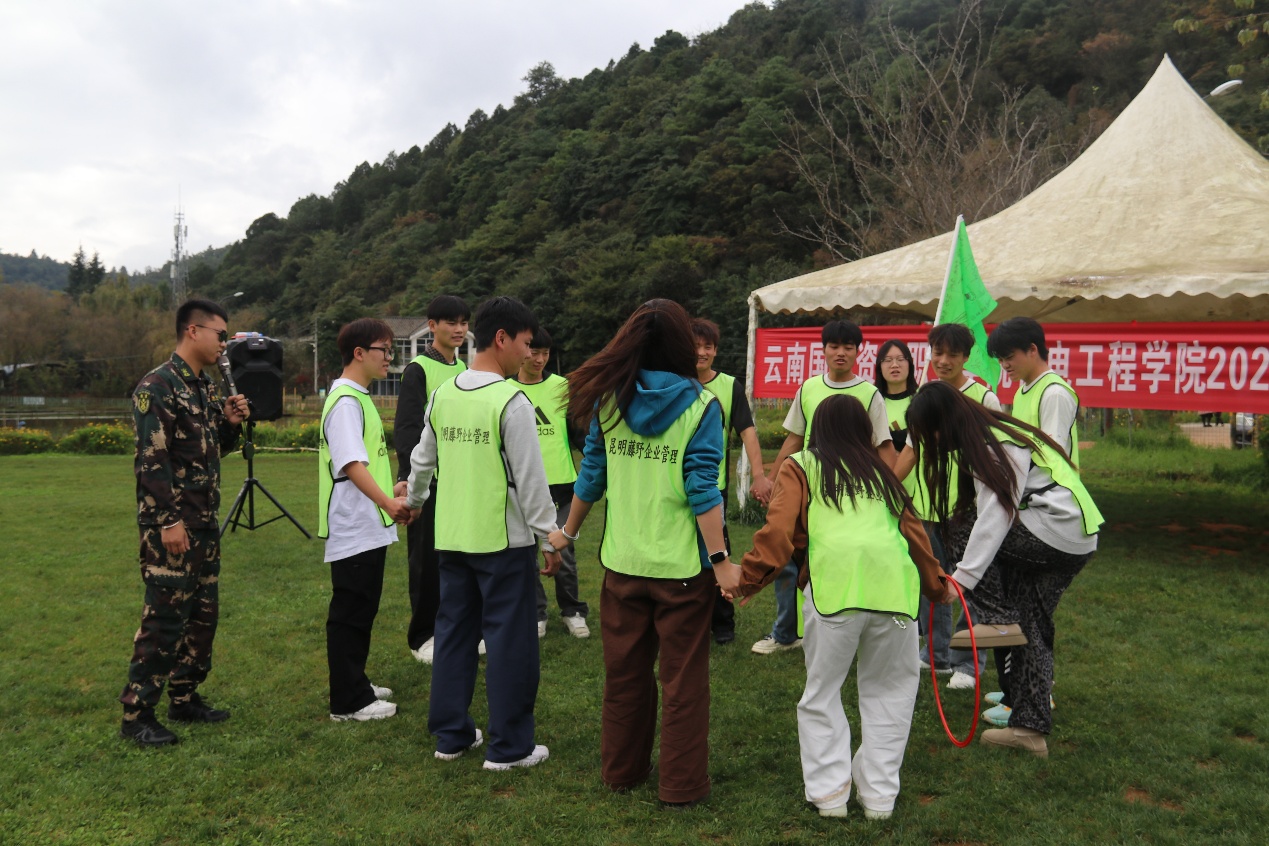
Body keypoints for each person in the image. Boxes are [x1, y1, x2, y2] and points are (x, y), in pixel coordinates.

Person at [715, 396, 945, 820]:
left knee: (822, 694)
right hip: (895, 594)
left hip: (834, 592)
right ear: (865, 431)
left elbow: (778, 532)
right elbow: (915, 534)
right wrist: (937, 587)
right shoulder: (884, 472)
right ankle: (879, 800)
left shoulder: (801, 464)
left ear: (817, 429)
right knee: (892, 695)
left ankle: (830, 798)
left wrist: (746, 579)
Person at [546, 299, 727, 808]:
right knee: (683, 683)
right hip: (682, 572)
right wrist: (721, 561)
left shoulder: (610, 402)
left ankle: (621, 771)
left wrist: (567, 532)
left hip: (623, 566)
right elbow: (703, 490)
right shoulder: (703, 406)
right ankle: (681, 786)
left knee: (624, 676)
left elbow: (592, 477)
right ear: (681, 344)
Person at [906, 381, 1103, 758]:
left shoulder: (991, 443)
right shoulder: (991, 432)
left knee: (961, 525)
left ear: (944, 421)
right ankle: (1029, 729)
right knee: (1032, 625)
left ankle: (999, 619)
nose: (930, 443)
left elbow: (995, 515)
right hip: (1075, 537)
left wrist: (960, 582)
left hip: (1055, 531)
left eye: (930, 433)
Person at [405, 296, 561, 770]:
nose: (529, 354)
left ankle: (451, 736)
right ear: (502, 338)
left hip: (452, 538)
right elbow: (531, 481)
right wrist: (549, 535)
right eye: (526, 344)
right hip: (503, 543)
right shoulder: (511, 401)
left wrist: (414, 501)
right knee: (510, 641)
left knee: (453, 634)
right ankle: (509, 747)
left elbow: (422, 461)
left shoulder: (444, 394)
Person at [118, 299, 249, 746]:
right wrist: (167, 520)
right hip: (173, 525)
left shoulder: (203, 388)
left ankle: (184, 697)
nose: (223, 344)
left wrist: (228, 424)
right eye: (220, 335)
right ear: (193, 331)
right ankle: (137, 714)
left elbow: (208, 453)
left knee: (201, 616)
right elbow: (151, 462)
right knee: (164, 619)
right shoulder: (157, 386)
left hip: (204, 521)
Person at [753, 319, 896, 656]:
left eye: (848, 346)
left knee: (838, 562)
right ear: (824, 350)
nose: (841, 352)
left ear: (859, 352)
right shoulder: (808, 388)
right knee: (788, 559)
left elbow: (883, 446)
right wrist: (774, 480)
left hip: (849, 497)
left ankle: (840, 630)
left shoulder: (869, 394)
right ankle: (785, 634)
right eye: (834, 346)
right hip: (806, 488)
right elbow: (794, 438)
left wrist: (887, 493)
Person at [983, 316, 1081, 726]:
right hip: (1033, 510)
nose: (1004, 365)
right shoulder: (1025, 389)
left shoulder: (1053, 392)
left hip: (1052, 516)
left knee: (1029, 617)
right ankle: (1022, 692)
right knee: (1029, 615)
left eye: (1009, 357)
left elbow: (1049, 453)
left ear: (1033, 350)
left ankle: (1028, 698)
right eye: (1000, 359)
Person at [319, 318, 414, 722]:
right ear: (359, 353)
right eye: (384, 350)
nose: (389, 358)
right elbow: (350, 464)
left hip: (366, 523)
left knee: (361, 608)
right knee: (351, 611)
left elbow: (363, 464)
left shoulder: (356, 397)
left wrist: (390, 490)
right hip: (354, 525)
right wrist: (388, 503)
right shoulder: (345, 401)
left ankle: (355, 682)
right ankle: (349, 701)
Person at [905, 323, 998, 689]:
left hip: (969, 511)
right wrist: (884, 486)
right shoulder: (926, 395)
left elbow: (998, 457)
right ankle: (936, 654)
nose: (943, 361)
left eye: (952, 355)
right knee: (934, 582)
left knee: (971, 586)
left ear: (966, 357)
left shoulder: (983, 398)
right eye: (937, 353)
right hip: (928, 510)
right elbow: (911, 449)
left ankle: (969, 665)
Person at [394, 295, 470, 664]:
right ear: (432, 326)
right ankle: (422, 636)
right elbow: (407, 429)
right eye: (450, 322)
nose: (459, 329)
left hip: (461, 480)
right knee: (425, 561)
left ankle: (455, 629)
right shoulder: (418, 369)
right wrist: (408, 479)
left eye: (464, 322)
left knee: (459, 558)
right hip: (429, 482)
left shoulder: (465, 369)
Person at [691, 317, 773, 645]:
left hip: (713, 490)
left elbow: (748, 432)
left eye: (707, 346)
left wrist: (759, 475)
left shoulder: (729, 386)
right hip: (674, 489)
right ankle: (686, 620)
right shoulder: (675, 383)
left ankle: (722, 625)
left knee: (717, 556)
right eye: (695, 346)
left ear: (716, 350)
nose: (701, 352)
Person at [511, 326, 590, 639]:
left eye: (545, 353)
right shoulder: (506, 388)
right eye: (534, 352)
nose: (540, 359)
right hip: (522, 488)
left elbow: (578, 432)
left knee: (564, 553)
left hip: (562, 487)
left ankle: (573, 611)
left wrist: (598, 458)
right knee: (527, 554)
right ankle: (536, 613)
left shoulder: (562, 387)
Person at [874, 339, 918, 452]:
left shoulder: (922, 398)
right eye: (888, 360)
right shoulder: (872, 400)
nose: (894, 365)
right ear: (879, 367)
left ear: (910, 364)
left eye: (900, 359)